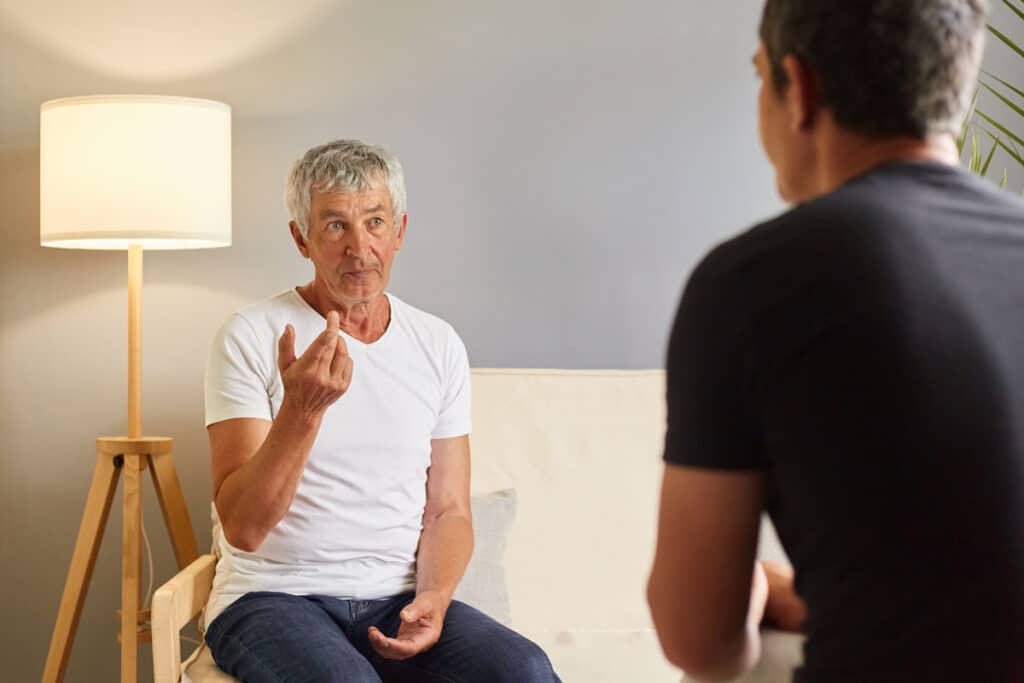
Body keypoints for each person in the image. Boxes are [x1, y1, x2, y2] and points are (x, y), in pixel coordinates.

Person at [647, 1, 1024, 681]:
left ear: (801, 90)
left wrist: (763, 590)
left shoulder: (749, 283)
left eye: (761, 78)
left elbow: (701, 640)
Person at [202, 139, 560, 682]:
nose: (359, 248)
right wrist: (301, 412)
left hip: (392, 600)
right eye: (335, 226)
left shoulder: (437, 344)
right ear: (302, 238)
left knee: (525, 670)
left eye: (374, 222)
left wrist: (434, 599)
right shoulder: (250, 336)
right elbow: (244, 528)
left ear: (400, 231)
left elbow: (447, 511)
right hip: (272, 599)